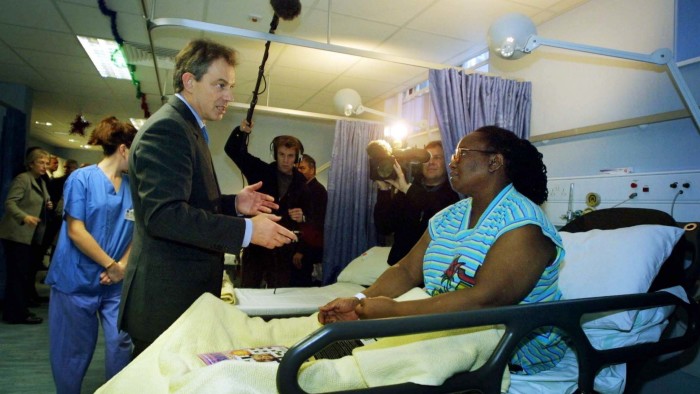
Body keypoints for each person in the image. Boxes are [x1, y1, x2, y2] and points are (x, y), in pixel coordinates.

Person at [319, 126, 568, 375]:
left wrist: (394, 313)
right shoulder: (448, 217)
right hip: (450, 327)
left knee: (381, 360)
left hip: (513, 349)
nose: (452, 163)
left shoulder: (524, 224)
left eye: (461, 154)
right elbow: (406, 270)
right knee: (345, 344)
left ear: (494, 162)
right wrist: (361, 301)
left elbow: (485, 300)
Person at [119, 38, 297, 357]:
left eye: (229, 86)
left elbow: (186, 202)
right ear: (190, 81)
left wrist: (233, 203)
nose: (228, 96)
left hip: (177, 300)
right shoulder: (169, 130)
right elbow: (165, 216)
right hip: (166, 304)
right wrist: (248, 231)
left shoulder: (187, 127)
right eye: (219, 85)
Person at [45, 117, 137, 394]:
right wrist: (110, 263)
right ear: (123, 149)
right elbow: (76, 230)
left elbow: (139, 231)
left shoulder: (133, 187)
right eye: (136, 151)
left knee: (121, 341)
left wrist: (121, 266)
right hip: (76, 280)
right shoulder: (81, 179)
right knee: (72, 352)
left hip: (115, 283)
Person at [225, 126, 311, 288]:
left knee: (279, 295)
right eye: (282, 155)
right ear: (275, 154)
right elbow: (232, 150)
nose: (286, 160)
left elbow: (310, 217)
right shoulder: (260, 171)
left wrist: (302, 216)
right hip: (256, 243)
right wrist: (242, 131)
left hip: (282, 249)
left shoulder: (301, 183)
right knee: (248, 289)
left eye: (290, 156)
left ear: (297, 158)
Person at [374, 140, 459, 265]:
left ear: (446, 162)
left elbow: (434, 210)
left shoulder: (451, 196)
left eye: (437, 158)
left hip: (430, 269)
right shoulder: (408, 190)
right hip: (399, 265)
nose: (431, 162)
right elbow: (384, 227)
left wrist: (407, 189)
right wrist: (384, 190)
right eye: (426, 158)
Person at [0, 148, 53, 324]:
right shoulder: (23, 179)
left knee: (24, 275)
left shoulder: (40, 182)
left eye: (46, 163)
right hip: (17, 235)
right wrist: (24, 216)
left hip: (30, 237)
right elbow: (10, 203)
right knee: (17, 276)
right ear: (31, 163)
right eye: (41, 162)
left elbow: (41, 200)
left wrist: (48, 204)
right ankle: (16, 314)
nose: (44, 166)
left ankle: (18, 311)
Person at [289, 154, 328, 286]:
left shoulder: (318, 191)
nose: (298, 172)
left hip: (309, 248)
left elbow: (316, 224)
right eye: (297, 168)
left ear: (312, 170)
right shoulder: (300, 189)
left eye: (302, 168)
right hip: (298, 245)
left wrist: (301, 251)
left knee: (302, 284)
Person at [42, 159, 79, 261]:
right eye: (65, 167)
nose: (67, 169)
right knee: (48, 242)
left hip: (68, 218)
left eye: (69, 167)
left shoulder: (79, 184)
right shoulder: (57, 181)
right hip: (55, 216)